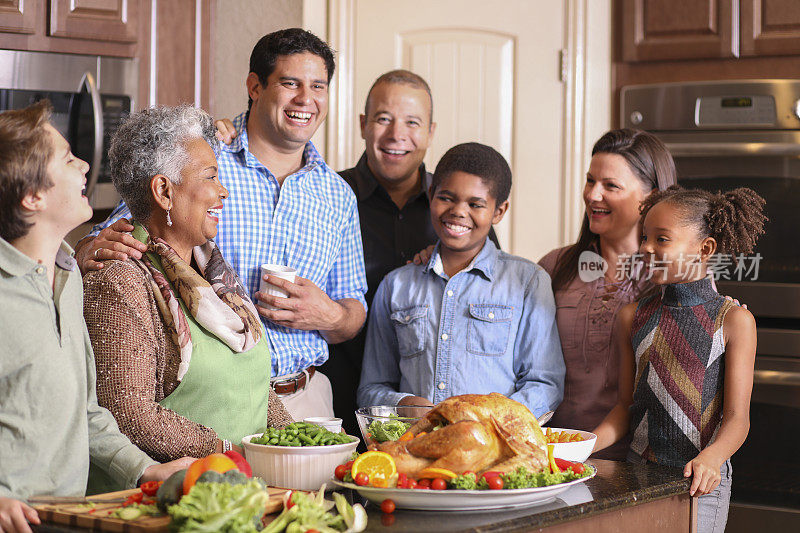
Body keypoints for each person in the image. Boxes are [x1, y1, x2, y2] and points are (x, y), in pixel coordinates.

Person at [73, 29, 368, 421]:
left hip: (306, 397)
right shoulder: (204, 162)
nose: (305, 99)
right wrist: (86, 250)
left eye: (318, 86)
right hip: (210, 397)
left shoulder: (338, 196)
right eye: (290, 83)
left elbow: (354, 307)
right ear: (255, 86)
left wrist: (328, 314)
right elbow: (113, 237)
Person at [0, 102, 191, 533]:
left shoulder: (70, 279)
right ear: (33, 196)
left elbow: (87, 414)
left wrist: (144, 471)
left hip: (66, 519)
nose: (86, 164)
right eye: (68, 159)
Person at [81, 106, 294, 492]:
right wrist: (231, 451)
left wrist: (295, 443)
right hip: (170, 500)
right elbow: (128, 414)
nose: (223, 190)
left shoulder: (213, 273)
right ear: (164, 191)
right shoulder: (121, 280)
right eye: (211, 176)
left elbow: (252, 388)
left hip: (240, 487)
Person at [592, 186, 765, 533]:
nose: (645, 248)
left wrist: (712, 459)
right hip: (636, 477)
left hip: (701, 486)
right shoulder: (632, 316)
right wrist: (578, 447)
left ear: (705, 249)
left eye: (662, 239)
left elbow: (737, 419)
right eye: (644, 237)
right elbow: (624, 408)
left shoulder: (733, 321)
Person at [357, 142, 565, 416]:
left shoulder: (528, 282)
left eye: (475, 204)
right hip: (417, 446)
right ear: (431, 194)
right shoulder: (395, 286)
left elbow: (545, 384)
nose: (458, 211)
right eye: (446, 197)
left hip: (496, 448)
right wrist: (404, 405)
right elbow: (371, 388)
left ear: (499, 211)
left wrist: (484, 419)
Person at [537, 129, 676, 460]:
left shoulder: (677, 277)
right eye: (590, 181)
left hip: (642, 465)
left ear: (652, 198)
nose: (592, 195)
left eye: (610, 186)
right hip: (555, 457)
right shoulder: (553, 266)